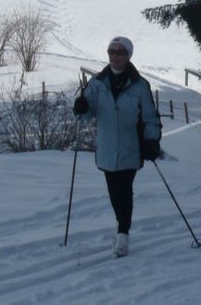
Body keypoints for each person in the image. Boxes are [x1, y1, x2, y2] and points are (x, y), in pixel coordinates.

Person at [73, 36, 162, 258]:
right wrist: (81, 107)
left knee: (124, 189)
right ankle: (121, 225)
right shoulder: (96, 84)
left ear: (128, 56)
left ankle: (123, 234)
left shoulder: (140, 86)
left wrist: (152, 141)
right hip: (106, 149)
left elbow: (150, 117)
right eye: (111, 51)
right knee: (114, 192)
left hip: (132, 148)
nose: (115, 56)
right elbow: (85, 116)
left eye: (120, 52)